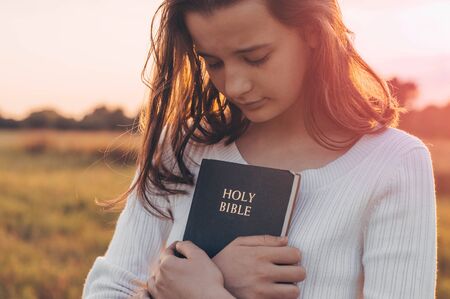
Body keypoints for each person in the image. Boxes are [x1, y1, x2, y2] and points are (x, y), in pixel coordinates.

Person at [83, 0, 437, 298]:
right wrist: (210, 275)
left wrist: (208, 292)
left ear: (314, 33)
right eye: (214, 62)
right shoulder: (182, 147)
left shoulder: (394, 163)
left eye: (255, 58)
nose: (234, 86)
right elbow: (108, 290)